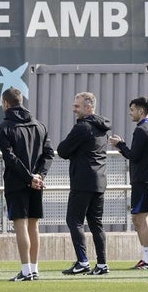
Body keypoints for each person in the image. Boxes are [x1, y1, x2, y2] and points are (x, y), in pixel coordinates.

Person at [0, 87, 54, 281]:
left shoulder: (5, 127)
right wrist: (39, 176)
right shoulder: (40, 125)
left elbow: (10, 158)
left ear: (5, 103)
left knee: (21, 226)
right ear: (21, 101)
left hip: (16, 182)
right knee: (34, 226)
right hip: (36, 182)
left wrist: (29, 177)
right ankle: (34, 269)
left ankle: (26, 270)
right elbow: (49, 153)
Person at [58, 92, 111, 276]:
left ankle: (82, 261)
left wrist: (74, 152)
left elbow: (63, 150)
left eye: (77, 106)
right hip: (99, 180)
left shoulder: (82, 127)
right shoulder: (102, 128)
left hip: (82, 181)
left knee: (74, 220)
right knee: (96, 224)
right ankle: (102, 264)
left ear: (88, 108)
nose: (74, 109)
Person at [109, 97, 148, 270]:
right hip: (144, 180)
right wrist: (122, 146)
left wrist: (120, 144)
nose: (130, 112)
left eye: (132, 109)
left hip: (143, 180)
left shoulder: (142, 130)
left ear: (141, 111)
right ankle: (147, 259)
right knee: (139, 219)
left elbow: (133, 155)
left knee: (140, 219)